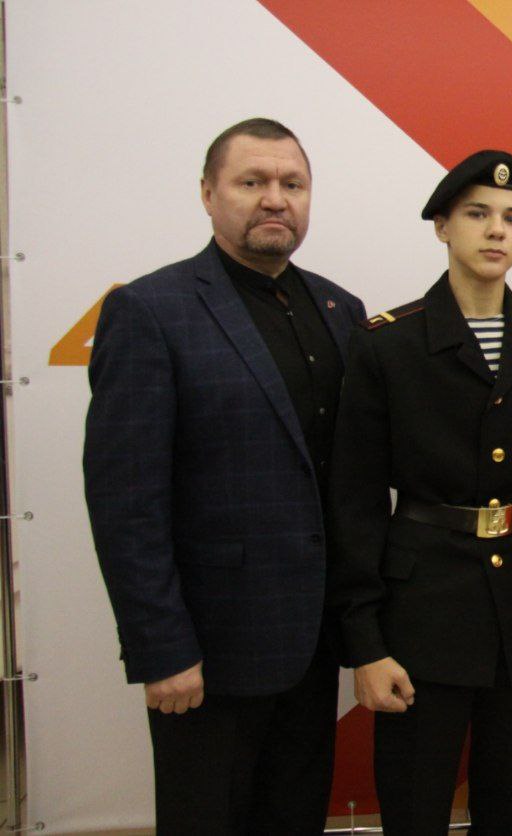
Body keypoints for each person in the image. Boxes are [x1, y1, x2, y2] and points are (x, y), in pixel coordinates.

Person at [83, 118, 365, 834]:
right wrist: (161, 649)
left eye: (292, 184)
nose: (275, 198)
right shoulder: (150, 310)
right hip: (207, 657)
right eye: (252, 181)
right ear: (209, 195)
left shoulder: (342, 311)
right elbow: (125, 502)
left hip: (313, 646)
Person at [326, 150, 512, 835]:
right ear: (442, 226)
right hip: (420, 612)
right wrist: (366, 643)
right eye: (477, 214)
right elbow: (354, 501)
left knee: (509, 802)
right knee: (415, 802)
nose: (497, 230)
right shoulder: (388, 344)